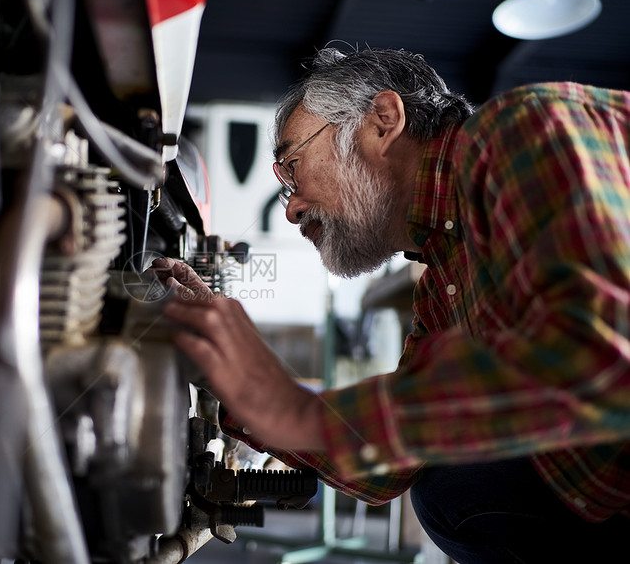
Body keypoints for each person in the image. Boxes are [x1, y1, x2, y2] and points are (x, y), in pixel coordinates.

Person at [153, 47, 630, 563]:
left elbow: (600, 356)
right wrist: (239, 391)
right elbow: (392, 469)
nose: (290, 208)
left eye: (293, 167)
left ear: (384, 120)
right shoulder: (443, 282)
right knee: (452, 491)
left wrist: (286, 406)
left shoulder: (524, 131)